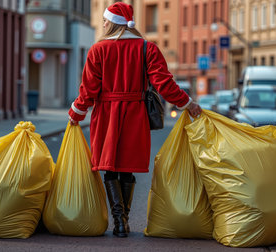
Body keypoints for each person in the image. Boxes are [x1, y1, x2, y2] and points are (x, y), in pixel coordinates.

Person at [68, 2, 202, 238]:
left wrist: (76, 114)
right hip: (135, 113)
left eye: (105, 20)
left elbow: (88, 91)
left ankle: (119, 221)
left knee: (110, 166)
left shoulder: (97, 50)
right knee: (127, 167)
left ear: (111, 23)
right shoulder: (147, 48)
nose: (103, 23)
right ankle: (124, 220)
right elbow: (164, 84)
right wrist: (187, 104)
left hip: (107, 114)